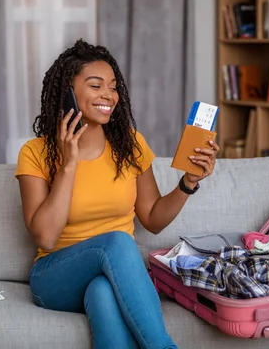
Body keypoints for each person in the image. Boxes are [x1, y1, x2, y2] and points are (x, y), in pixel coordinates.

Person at [15, 39, 219, 349]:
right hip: (54, 277)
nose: (108, 95)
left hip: (110, 275)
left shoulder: (130, 144)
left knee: (102, 291)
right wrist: (69, 165)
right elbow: (44, 237)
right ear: (67, 94)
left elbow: (152, 218)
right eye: (95, 86)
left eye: (113, 87)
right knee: (117, 241)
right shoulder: (36, 153)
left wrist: (188, 183)